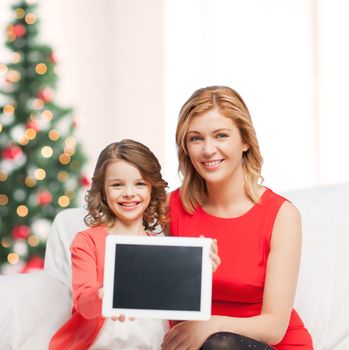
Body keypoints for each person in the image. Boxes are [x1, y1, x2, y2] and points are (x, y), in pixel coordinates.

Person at [162, 86, 313, 350]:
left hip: (266, 345)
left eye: (221, 135)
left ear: (244, 141)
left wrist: (210, 326)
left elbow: (275, 327)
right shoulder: (170, 208)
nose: (208, 150)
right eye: (196, 138)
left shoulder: (281, 215)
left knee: (219, 345)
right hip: (198, 346)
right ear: (185, 147)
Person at [49, 139, 170, 349]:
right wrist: (102, 294)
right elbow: (84, 304)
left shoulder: (161, 248)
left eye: (140, 183)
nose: (129, 193)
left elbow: (174, 301)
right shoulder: (87, 241)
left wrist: (201, 266)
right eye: (117, 184)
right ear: (103, 190)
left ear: (152, 189)